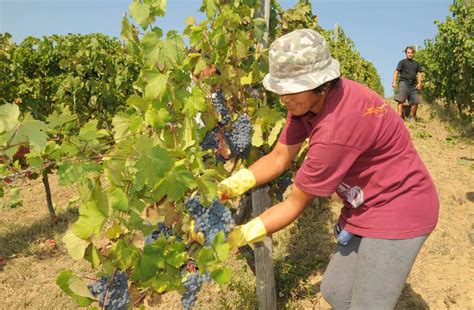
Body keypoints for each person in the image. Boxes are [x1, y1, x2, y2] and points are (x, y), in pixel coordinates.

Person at [218, 29, 439, 309]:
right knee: (335, 292)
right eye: (281, 88)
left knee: (367, 305)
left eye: (291, 87)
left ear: (321, 83)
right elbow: (278, 159)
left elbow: (294, 204)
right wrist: (232, 184)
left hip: (400, 208)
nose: (283, 97)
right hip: (364, 204)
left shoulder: (336, 128)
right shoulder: (303, 102)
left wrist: (241, 234)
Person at [392, 46, 423, 120]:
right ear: (406, 53)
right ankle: (400, 117)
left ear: (413, 54)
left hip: (413, 85)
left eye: (411, 53)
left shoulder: (416, 64)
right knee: (400, 100)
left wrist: (419, 83)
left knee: (416, 101)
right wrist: (394, 81)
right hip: (403, 82)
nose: (410, 54)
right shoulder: (402, 62)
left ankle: (411, 116)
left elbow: (419, 73)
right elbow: (397, 72)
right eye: (408, 53)